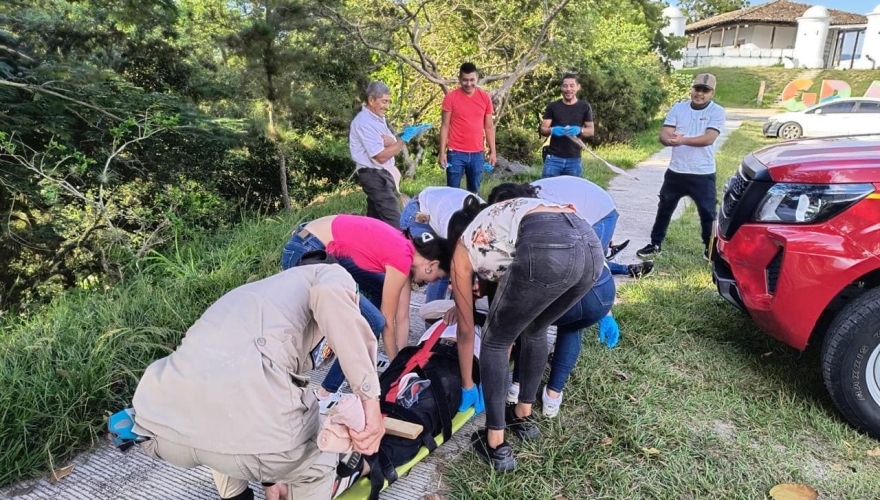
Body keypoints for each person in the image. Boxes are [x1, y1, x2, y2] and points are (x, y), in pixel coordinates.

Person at [131, 264, 385, 500]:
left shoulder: (254, 298)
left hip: (161, 427)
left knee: (219, 419)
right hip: (224, 425)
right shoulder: (331, 274)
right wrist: (369, 399)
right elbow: (330, 294)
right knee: (318, 461)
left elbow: (233, 389)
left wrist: (269, 480)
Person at [448, 197, 605, 471]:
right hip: (589, 243)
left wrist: (467, 386)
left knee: (494, 339)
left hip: (549, 244)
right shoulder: (498, 221)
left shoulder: (462, 249)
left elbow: (465, 331)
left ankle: (495, 443)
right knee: (536, 329)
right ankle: (523, 416)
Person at [280, 214, 451, 412]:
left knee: (378, 293)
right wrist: (396, 370)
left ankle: (361, 356)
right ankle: (325, 393)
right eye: (434, 279)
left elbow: (402, 317)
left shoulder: (407, 251)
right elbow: (387, 321)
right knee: (373, 322)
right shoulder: (401, 259)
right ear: (430, 266)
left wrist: (402, 364)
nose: (427, 284)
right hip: (306, 253)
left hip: (314, 245)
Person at [487, 185, 621, 418]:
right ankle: (552, 398)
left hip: (572, 282)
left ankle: (516, 388)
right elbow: (594, 262)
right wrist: (606, 312)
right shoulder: (554, 209)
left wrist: (497, 352)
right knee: (571, 328)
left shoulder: (521, 226)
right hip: (602, 293)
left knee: (526, 323)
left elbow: (510, 312)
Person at [636, 73, 725, 261]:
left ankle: (710, 251)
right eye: (697, 89)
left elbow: (709, 138)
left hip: (703, 173)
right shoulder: (678, 108)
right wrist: (670, 140)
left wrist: (682, 139)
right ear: (691, 89)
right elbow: (664, 134)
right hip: (676, 171)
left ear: (712, 93)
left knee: (708, 213)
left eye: (705, 91)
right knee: (664, 208)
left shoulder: (717, 111)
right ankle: (655, 244)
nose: (700, 94)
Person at [489, 178, 653, 279]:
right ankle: (608, 254)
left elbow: (559, 242)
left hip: (601, 212)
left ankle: (622, 266)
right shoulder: (522, 197)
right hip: (587, 205)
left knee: (587, 265)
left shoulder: (543, 207)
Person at [349, 81, 429, 226]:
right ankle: (406, 248)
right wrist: (403, 139)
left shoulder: (378, 118)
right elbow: (381, 156)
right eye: (384, 102)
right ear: (371, 100)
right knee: (395, 221)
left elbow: (390, 141)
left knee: (376, 223)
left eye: (388, 102)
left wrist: (393, 141)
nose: (387, 106)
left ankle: (370, 246)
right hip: (373, 176)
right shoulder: (364, 122)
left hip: (384, 174)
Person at [399, 186, 486, 303]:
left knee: (454, 270)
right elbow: (460, 270)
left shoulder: (486, 229)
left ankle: (452, 312)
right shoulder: (453, 229)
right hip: (420, 214)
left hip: (441, 211)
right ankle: (433, 318)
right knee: (441, 268)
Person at [439, 62, 496, 194]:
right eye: (465, 80)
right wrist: (442, 152)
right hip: (455, 153)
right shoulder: (450, 98)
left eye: (472, 80)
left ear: (477, 78)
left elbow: (488, 127)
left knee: (474, 192)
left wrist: (493, 151)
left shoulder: (485, 97)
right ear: (459, 79)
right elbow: (445, 126)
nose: (468, 84)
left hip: (477, 153)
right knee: (452, 192)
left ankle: (472, 215)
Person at [538, 73, 594, 178]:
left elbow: (591, 131)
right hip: (553, 159)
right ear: (561, 87)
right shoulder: (553, 106)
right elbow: (543, 129)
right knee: (548, 191)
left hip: (574, 160)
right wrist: (552, 130)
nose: (568, 89)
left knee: (572, 192)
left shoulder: (584, 107)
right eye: (565, 86)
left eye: (572, 86)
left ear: (578, 87)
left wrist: (580, 130)